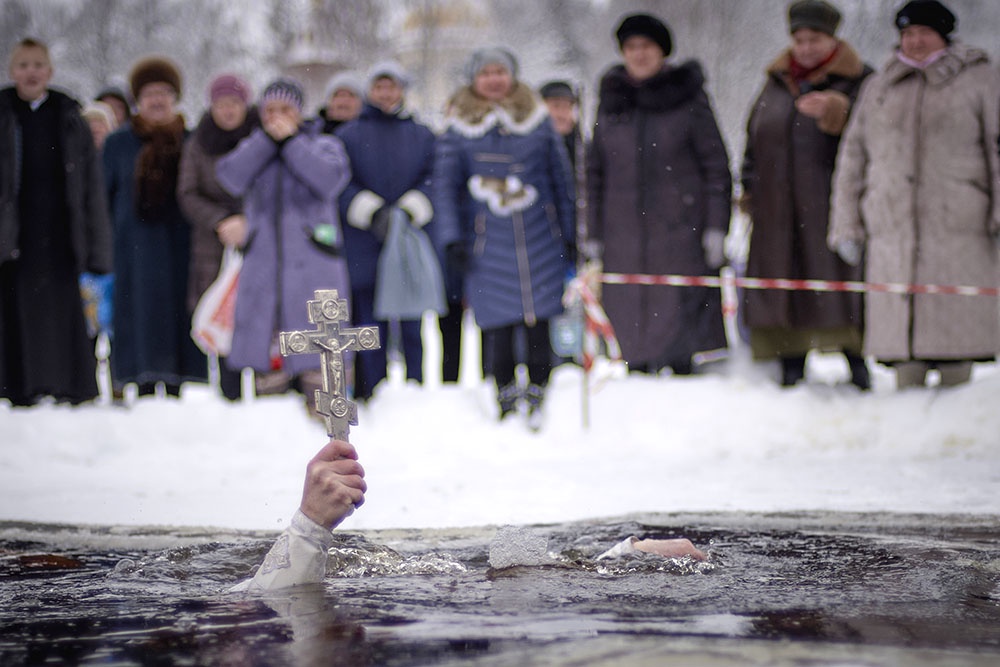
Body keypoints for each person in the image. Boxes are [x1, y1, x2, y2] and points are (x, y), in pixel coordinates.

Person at [829, 0, 1000, 389]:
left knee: (956, 343)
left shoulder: (982, 80)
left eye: (924, 32)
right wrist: (846, 224)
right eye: (907, 34)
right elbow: (853, 159)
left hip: (960, 227)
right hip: (892, 229)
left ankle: (953, 424)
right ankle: (908, 430)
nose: (915, 41)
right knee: (903, 354)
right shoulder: (879, 86)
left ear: (944, 36)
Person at [433, 47, 575, 429]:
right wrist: (451, 240)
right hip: (485, 240)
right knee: (497, 320)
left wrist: (571, 230)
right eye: (486, 72)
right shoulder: (458, 126)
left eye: (501, 71)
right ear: (474, 79)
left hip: (539, 235)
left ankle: (541, 386)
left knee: (539, 314)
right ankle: (505, 389)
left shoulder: (537, 119)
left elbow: (561, 179)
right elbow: (444, 188)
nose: (494, 79)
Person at [586, 13, 732, 376]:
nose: (639, 54)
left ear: (662, 52)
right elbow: (594, 172)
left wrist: (717, 227)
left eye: (646, 46)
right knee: (631, 308)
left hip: (680, 229)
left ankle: (680, 373)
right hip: (624, 234)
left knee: (677, 307)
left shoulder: (689, 99)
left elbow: (716, 166)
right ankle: (637, 369)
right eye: (631, 47)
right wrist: (592, 232)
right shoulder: (611, 102)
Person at [740, 0, 873, 389]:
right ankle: (791, 367)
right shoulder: (776, 83)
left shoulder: (859, 80)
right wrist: (749, 189)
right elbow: (754, 140)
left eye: (814, 39)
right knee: (785, 286)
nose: (805, 47)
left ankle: (857, 364)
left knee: (837, 287)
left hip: (830, 211)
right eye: (799, 39)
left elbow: (880, 138)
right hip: (776, 211)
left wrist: (839, 112)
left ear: (833, 39)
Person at [215, 78, 352, 413]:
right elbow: (229, 176)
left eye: (285, 109)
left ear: (299, 111)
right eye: (270, 111)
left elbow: (330, 180)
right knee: (270, 378)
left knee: (321, 367)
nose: (277, 117)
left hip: (314, 271)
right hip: (265, 274)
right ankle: (272, 439)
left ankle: (329, 438)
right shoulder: (255, 147)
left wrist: (291, 142)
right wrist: (265, 142)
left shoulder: (323, 145)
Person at [0, 38, 112, 406]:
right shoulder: (3, 114)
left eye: (37, 65)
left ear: (49, 71)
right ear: (12, 71)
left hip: (61, 230)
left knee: (62, 312)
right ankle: (18, 387)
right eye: (23, 65)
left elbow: (90, 187)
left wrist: (97, 248)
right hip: (14, 230)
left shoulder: (69, 117)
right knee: (16, 310)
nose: (31, 72)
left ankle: (68, 385)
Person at [103, 56, 207, 399]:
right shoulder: (119, 143)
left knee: (178, 317)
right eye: (150, 93)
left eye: (164, 91)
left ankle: (177, 384)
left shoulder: (191, 140)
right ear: (137, 99)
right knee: (139, 316)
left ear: (175, 97)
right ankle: (142, 384)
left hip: (180, 248)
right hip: (134, 249)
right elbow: (103, 195)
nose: (158, 99)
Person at [335, 61, 437, 401]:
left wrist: (410, 208)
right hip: (364, 241)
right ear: (370, 91)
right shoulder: (348, 135)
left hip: (406, 239)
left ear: (402, 90)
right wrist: (370, 210)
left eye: (392, 86)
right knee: (368, 323)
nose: (386, 93)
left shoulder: (421, 134)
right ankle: (372, 392)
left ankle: (415, 389)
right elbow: (340, 181)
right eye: (379, 87)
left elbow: (434, 176)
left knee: (410, 320)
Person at [177, 74, 259, 401]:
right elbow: (187, 192)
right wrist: (221, 220)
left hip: (258, 239)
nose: (228, 111)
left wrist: (249, 220)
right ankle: (229, 396)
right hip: (214, 243)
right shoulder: (199, 143)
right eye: (221, 104)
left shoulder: (259, 138)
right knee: (223, 314)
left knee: (259, 314)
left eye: (234, 104)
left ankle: (268, 395)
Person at [313, 71, 364, 135]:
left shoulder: (368, 133)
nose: (344, 100)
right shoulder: (312, 131)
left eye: (351, 95)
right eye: (338, 95)